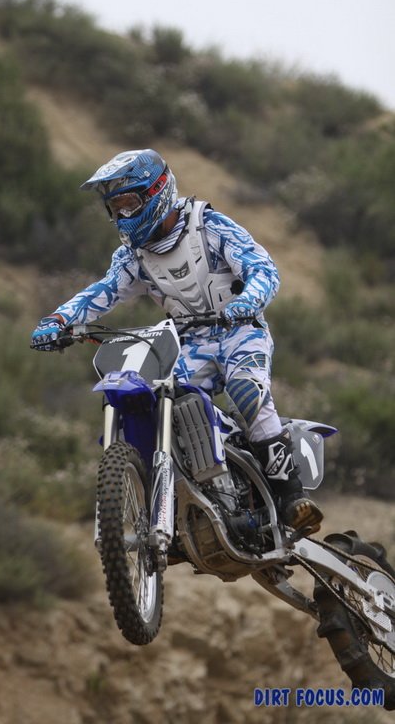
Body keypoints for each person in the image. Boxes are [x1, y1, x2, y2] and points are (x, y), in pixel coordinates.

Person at [31, 149, 323, 533]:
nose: (123, 216)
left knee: (246, 389)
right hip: (188, 341)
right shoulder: (133, 256)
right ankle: (182, 499)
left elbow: (262, 269)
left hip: (240, 330)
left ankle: (291, 495)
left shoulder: (208, 226)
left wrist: (247, 301)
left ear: (156, 192)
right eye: (115, 209)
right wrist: (59, 320)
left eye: (129, 204)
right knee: (157, 400)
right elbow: (103, 291)